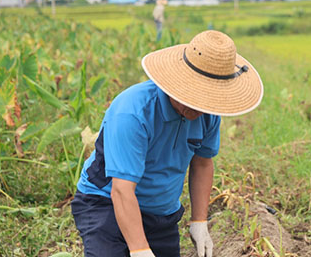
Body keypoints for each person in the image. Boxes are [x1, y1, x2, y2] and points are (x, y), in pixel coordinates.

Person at [71, 30, 264, 257]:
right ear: (176, 81)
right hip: (106, 203)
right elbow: (122, 190)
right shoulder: (133, 113)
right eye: (191, 96)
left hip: (161, 211)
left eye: (207, 99)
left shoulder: (208, 115)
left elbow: (202, 163)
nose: (197, 108)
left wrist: (199, 221)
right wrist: (140, 250)